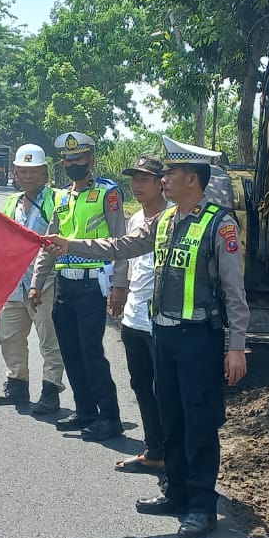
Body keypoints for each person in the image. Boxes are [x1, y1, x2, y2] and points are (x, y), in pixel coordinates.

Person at [41, 136, 250, 538]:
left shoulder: (219, 224)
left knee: (199, 422)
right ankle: (176, 492)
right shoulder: (165, 221)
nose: (164, 179)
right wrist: (70, 245)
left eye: (170, 173)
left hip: (199, 338)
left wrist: (237, 345)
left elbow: (234, 291)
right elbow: (120, 245)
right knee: (170, 415)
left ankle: (202, 506)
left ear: (192, 178)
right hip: (165, 334)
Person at [31, 131, 127, 442]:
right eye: (68, 160)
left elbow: (120, 243)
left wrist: (119, 286)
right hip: (64, 288)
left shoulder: (107, 194)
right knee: (71, 352)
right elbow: (49, 243)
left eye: (79, 159)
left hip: (91, 286)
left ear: (91, 160)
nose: (73, 164)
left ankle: (109, 417)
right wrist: (37, 282)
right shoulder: (60, 197)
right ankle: (86, 412)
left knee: (91, 353)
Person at [0, 143, 67, 415]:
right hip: (13, 282)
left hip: (46, 281)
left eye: (33, 171)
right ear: (15, 173)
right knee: (10, 337)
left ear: (45, 173)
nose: (27, 176)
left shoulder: (57, 199)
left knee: (49, 339)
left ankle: (50, 391)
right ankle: (17, 385)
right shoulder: (11, 202)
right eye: (22, 171)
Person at [111, 154, 169, 477]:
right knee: (141, 386)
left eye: (144, 179)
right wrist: (121, 289)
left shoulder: (173, 220)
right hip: (133, 319)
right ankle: (154, 451)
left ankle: (172, 456)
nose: (136, 185)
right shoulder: (135, 221)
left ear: (162, 182)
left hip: (159, 323)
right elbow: (130, 265)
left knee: (165, 391)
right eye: (134, 179)